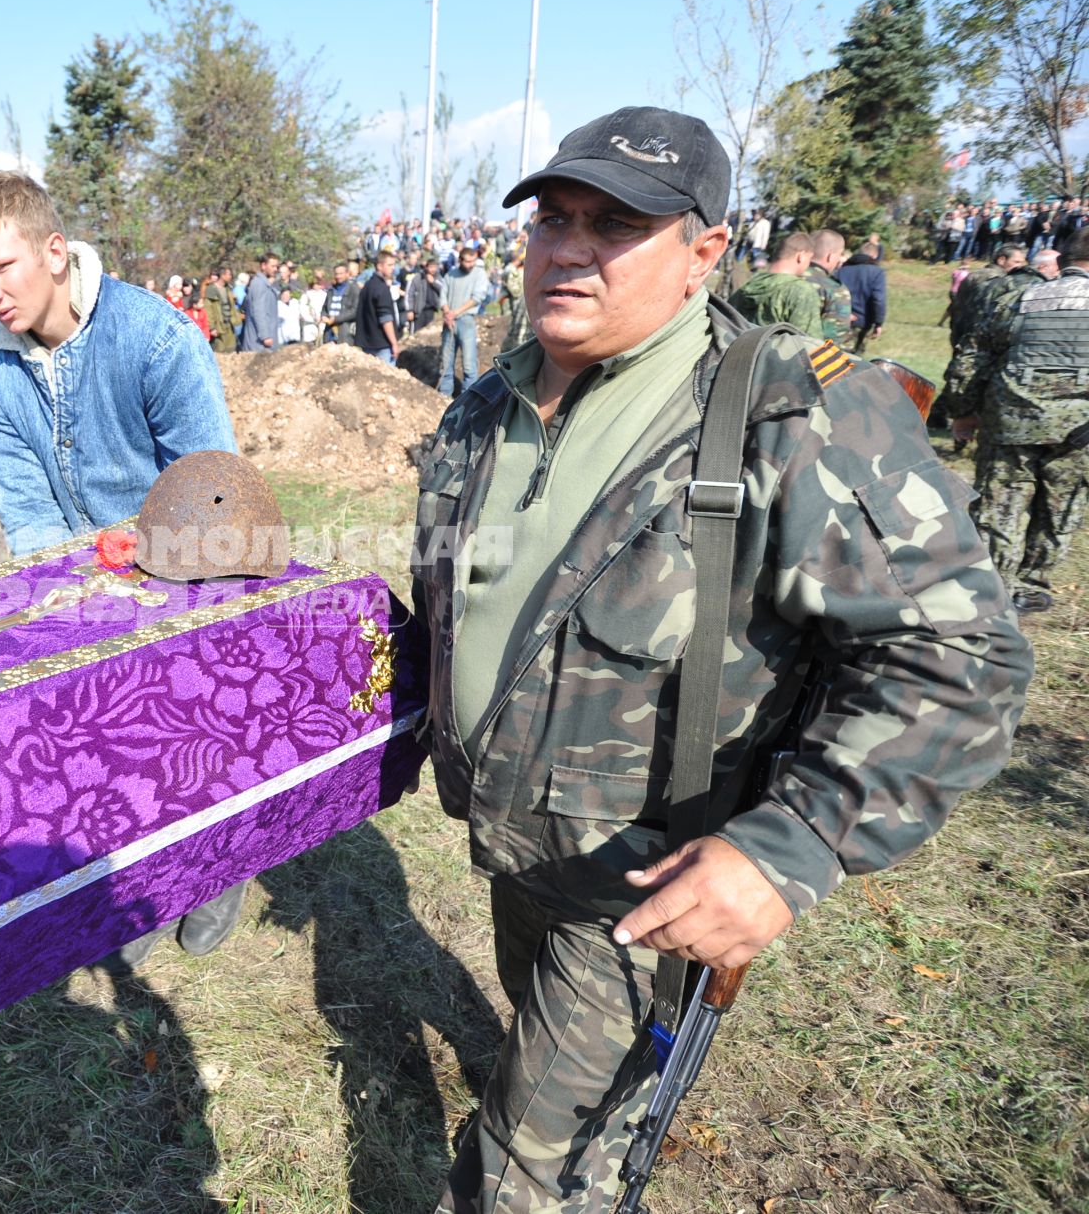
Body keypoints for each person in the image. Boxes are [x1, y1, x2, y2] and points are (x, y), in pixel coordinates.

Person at [416, 106, 1031, 1213]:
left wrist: (791, 845)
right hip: (514, 848)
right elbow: (465, 601)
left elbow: (961, 657)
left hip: (650, 888)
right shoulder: (481, 404)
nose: (567, 247)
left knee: (522, 1183)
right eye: (554, 217)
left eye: (617, 225)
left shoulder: (790, 409)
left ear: (704, 253)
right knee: (544, 1062)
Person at [0, 169, 249, 959]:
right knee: (114, 741)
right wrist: (75, 604)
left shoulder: (154, 338)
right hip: (86, 578)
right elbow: (26, 511)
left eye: (1, 268)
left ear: (54, 251)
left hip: (186, 562)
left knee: (198, 729)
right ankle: (141, 879)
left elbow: (212, 489)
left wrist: (167, 594)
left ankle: (222, 861)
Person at [951, 228, 1089, 615]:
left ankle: (992, 587)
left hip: (1012, 418)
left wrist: (963, 410)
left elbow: (972, 356)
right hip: (1079, 430)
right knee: (1060, 507)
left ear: (1060, 263)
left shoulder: (1019, 298)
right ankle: (1032, 585)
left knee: (1000, 505)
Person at [945, 243, 1041, 452]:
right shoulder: (992, 281)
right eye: (1016, 262)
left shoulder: (976, 276)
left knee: (966, 385)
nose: (1020, 266)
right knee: (974, 388)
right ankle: (964, 435)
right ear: (1001, 260)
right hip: (980, 339)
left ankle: (959, 434)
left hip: (967, 337)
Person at [728, 231, 822, 335]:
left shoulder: (748, 283)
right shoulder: (801, 291)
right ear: (801, 256)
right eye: (809, 259)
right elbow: (810, 343)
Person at [438, 244, 488, 395]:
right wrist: (447, 313)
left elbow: (477, 297)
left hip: (467, 321)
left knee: (469, 365)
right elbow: (442, 296)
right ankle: (444, 397)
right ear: (460, 260)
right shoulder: (450, 275)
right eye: (467, 261)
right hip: (449, 322)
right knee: (446, 363)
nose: (470, 265)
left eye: (473, 261)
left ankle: (467, 399)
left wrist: (455, 312)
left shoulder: (479, 274)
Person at [836, 240, 889, 353]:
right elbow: (878, 299)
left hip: (840, 318)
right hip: (863, 322)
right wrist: (878, 323)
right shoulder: (877, 272)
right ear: (874, 255)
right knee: (856, 361)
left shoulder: (841, 270)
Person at [804, 229, 854, 346]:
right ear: (830, 256)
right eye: (839, 254)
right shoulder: (833, 289)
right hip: (811, 358)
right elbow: (837, 337)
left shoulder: (787, 277)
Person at [355, 249, 401, 365]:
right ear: (380, 266)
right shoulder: (381, 288)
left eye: (393, 265)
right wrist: (394, 343)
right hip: (383, 345)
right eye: (389, 265)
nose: (393, 268)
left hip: (367, 343)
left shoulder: (367, 286)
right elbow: (385, 319)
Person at [238, 253, 280, 352]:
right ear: (263, 266)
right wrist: (265, 336)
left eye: (276, 266)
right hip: (258, 343)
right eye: (272, 266)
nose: (275, 269)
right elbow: (258, 312)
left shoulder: (265, 284)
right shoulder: (259, 284)